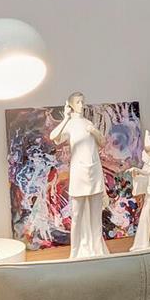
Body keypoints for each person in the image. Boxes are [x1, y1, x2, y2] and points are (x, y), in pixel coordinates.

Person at [49, 92, 108, 258]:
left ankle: (97, 249)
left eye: (83, 101)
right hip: (79, 174)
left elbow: (102, 142)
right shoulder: (69, 125)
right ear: (71, 105)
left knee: (96, 216)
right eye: (78, 102)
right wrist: (65, 118)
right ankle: (74, 252)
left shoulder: (88, 123)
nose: (82, 105)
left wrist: (94, 131)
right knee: (76, 215)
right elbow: (54, 137)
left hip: (94, 172)